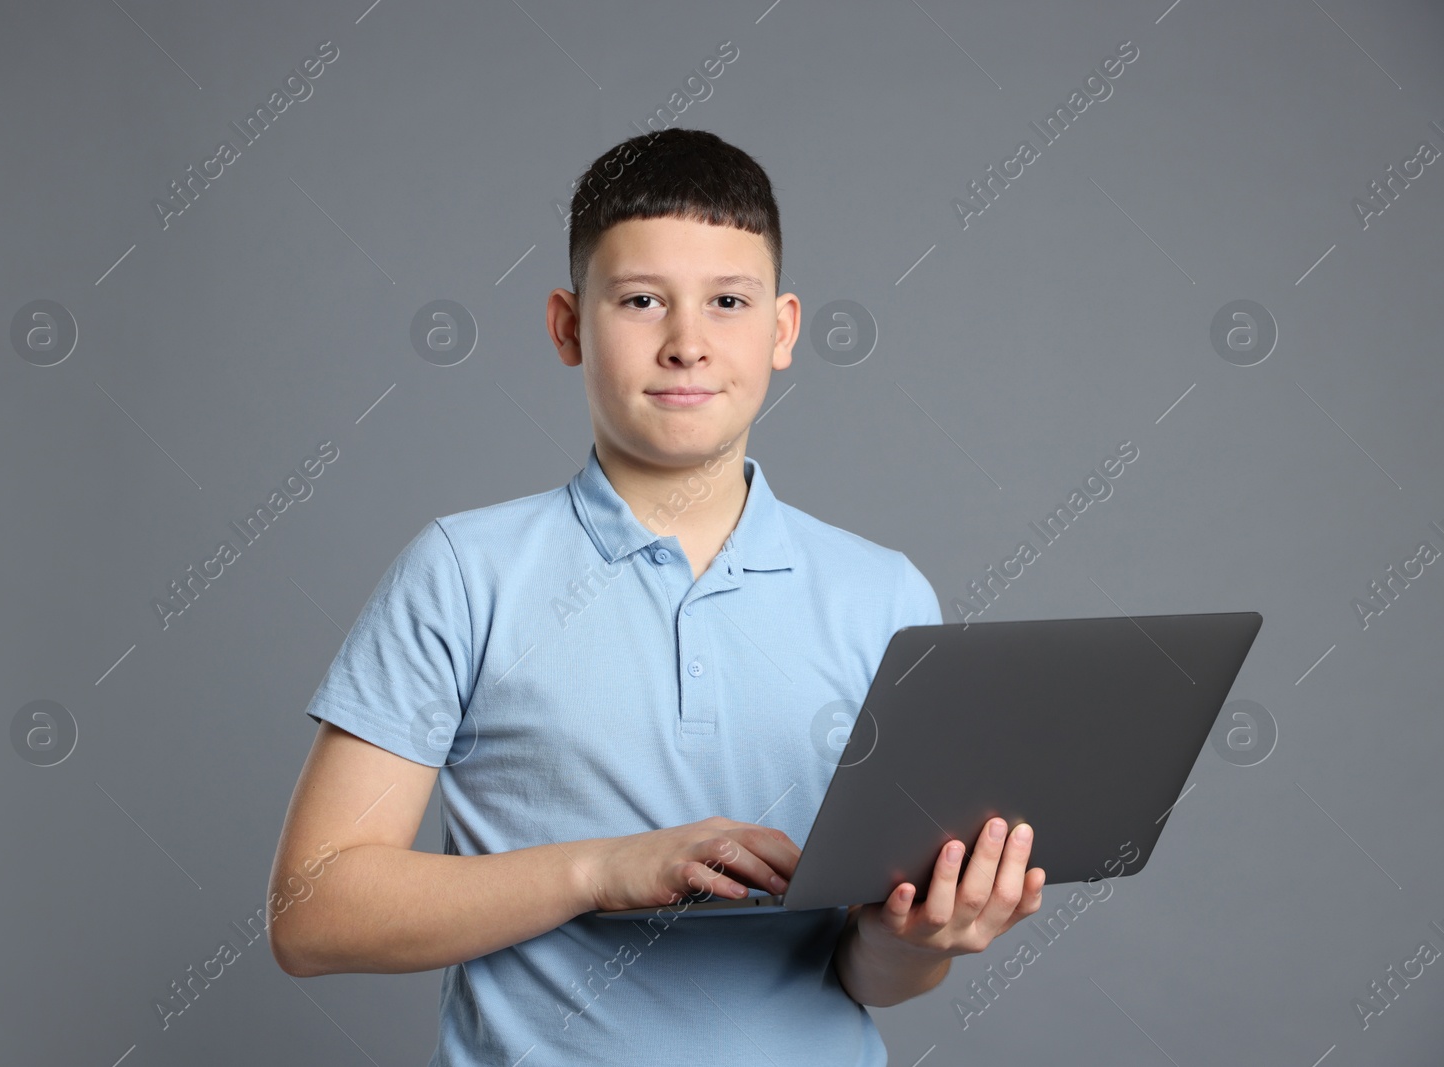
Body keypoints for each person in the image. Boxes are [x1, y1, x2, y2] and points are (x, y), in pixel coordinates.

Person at [267, 127, 1044, 1065]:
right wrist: (602, 868)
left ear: (783, 329)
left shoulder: (883, 592)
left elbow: (868, 972)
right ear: (567, 325)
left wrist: (919, 938)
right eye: (641, 300)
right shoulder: (461, 572)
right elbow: (312, 913)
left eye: (727, 302)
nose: (687, 344)